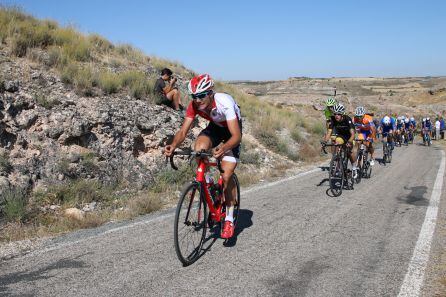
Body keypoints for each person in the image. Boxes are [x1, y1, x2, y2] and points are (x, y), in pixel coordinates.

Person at [164, 74, 242, 239]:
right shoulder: (194, 105)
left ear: (210, 93)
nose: (197, 100)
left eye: (201, 96)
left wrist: (223, 148)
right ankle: (207, 182)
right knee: (199, 148)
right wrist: (173, 145)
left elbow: (236, 136)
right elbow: (183, 131)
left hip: (231, 132)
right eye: (194, 96)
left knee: (227, 175)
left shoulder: (224, 103)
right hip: (215, 128)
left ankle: (228, 217)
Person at [323, 103, 358, 178]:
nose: (336, 116)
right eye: (335, 114)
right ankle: (338, 162)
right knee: (336, 143)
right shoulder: (333, 119)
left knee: (351, 152)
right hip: (341, 136)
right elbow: (329, 132)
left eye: (338, 114)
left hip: (349, 137)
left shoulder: (347, 119)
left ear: (342, 114)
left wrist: (349, 142)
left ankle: (354, 168)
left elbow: (352, 134)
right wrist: (325, 141)